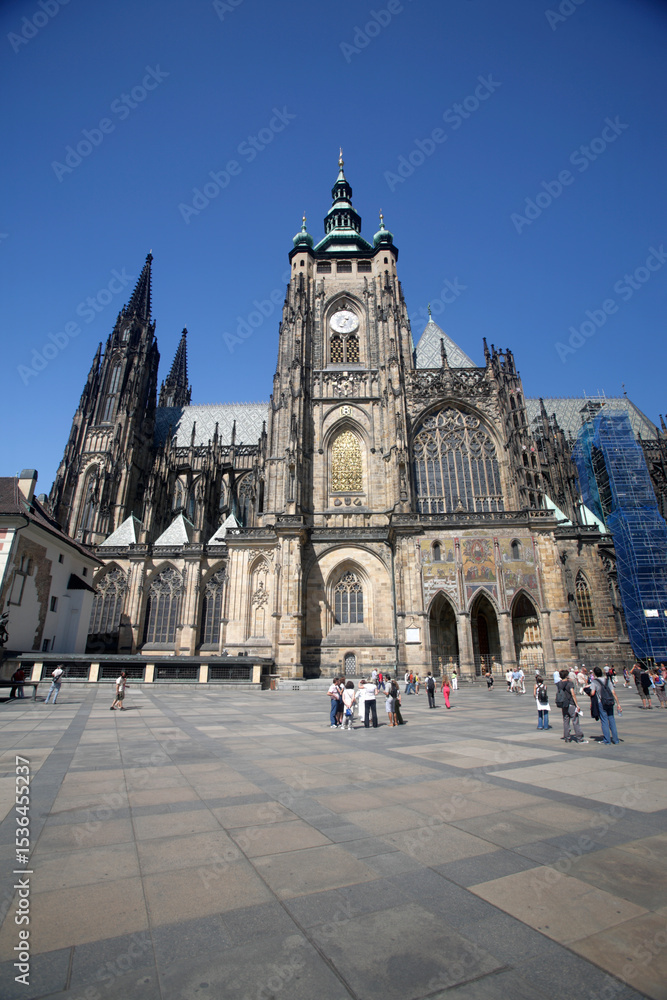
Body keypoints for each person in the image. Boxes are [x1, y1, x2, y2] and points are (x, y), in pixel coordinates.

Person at [590, 666, 622, 744]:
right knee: (612, 720)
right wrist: (618, 704)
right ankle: (616, 740)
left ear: (594, 674)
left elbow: (592, 693)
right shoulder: (608, 681)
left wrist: (589, 691)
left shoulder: (594, 682)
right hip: (610, 702)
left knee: (604, 721)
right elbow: (613, 693)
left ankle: (607, 740)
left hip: (601, 702)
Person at [556, 668, 587, 743]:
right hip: (570, 703)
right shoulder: (569, 683)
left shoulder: (559, 684)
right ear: (567, 676)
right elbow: (573, 694)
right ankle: (579, 738)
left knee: (566, 720)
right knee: (575, 720)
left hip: (563, 704)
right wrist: (577, 705)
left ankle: (567, 737)